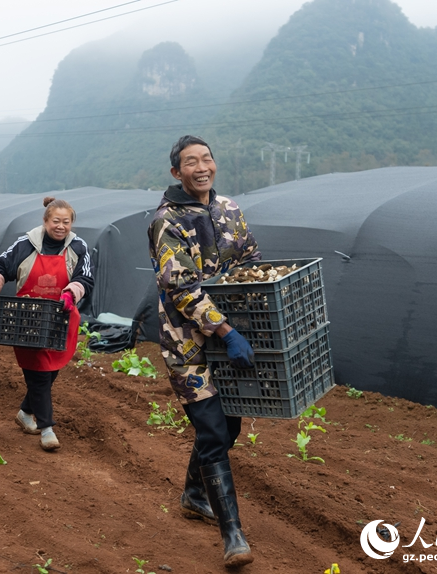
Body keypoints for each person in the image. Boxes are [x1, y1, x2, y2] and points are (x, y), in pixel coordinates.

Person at [147, 135, 260, 568]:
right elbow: (179, 288)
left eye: (207, 159)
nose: (201, 167)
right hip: (189, 346)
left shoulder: (229, 209)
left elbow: (251, 259)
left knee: (227, 430)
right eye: (190, 162)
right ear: (176, 172)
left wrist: (249, 319)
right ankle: (232, 534)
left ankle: (195, 493)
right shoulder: (167, 220)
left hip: (231, 342)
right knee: (213, 432)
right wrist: (226, 330)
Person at [0, 197, 93, 452]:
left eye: (66, 222)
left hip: (60, 318)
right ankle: (47, 428)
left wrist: (70, 293)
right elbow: (1, 265)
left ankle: (25, 412)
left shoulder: (78, 246)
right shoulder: (26, 243)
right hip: (28, 319)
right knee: (39, 374)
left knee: (50, 371)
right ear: (45, 221)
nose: (61, 226)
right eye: (56, 221)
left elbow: (86, 277)